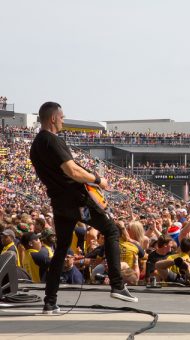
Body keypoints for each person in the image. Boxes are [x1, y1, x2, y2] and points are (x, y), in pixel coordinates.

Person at [29, 102, 137, 314]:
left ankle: (49, 302)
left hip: (59, 203)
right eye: (61, 116)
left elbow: (67, 169)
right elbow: (72, 171)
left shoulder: (36, 145)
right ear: (52, 118)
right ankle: (117, 285)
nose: (63, 119)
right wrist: (97, 179)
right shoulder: (52, 140)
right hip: (76, 200)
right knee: (111, 230)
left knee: (61, 250)